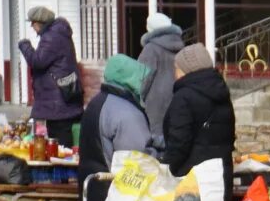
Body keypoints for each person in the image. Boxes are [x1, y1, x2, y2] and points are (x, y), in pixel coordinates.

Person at [74, 54, 152, 187]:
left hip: (93, 190)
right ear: (131, 78)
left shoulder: (97, 102)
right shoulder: (127, 112)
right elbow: (137, 158)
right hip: (115, 194)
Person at [158, 42, 234, 175]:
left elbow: (179, 143)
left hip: (192, 180)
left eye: (176, 68)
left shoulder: (184, 97)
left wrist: (165, 171)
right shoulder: (221, 91)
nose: (174, 74)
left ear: (186, 70)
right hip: (221, 176)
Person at [20, 8, 82, 148]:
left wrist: (25, 46)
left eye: (33, 23)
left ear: (40, 23)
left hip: (58, 101)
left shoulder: (51, 37)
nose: (32, 27)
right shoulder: (59, 33)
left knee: (60, 143)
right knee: (62, 138)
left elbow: (37, 61)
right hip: (64, 96)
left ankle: (62, 168)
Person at [135, 13, 184, 136]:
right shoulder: (181, 47)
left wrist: (135, 99)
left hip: (155, 105)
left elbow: (141, 79)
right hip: (178, 99)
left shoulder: (150, 49)